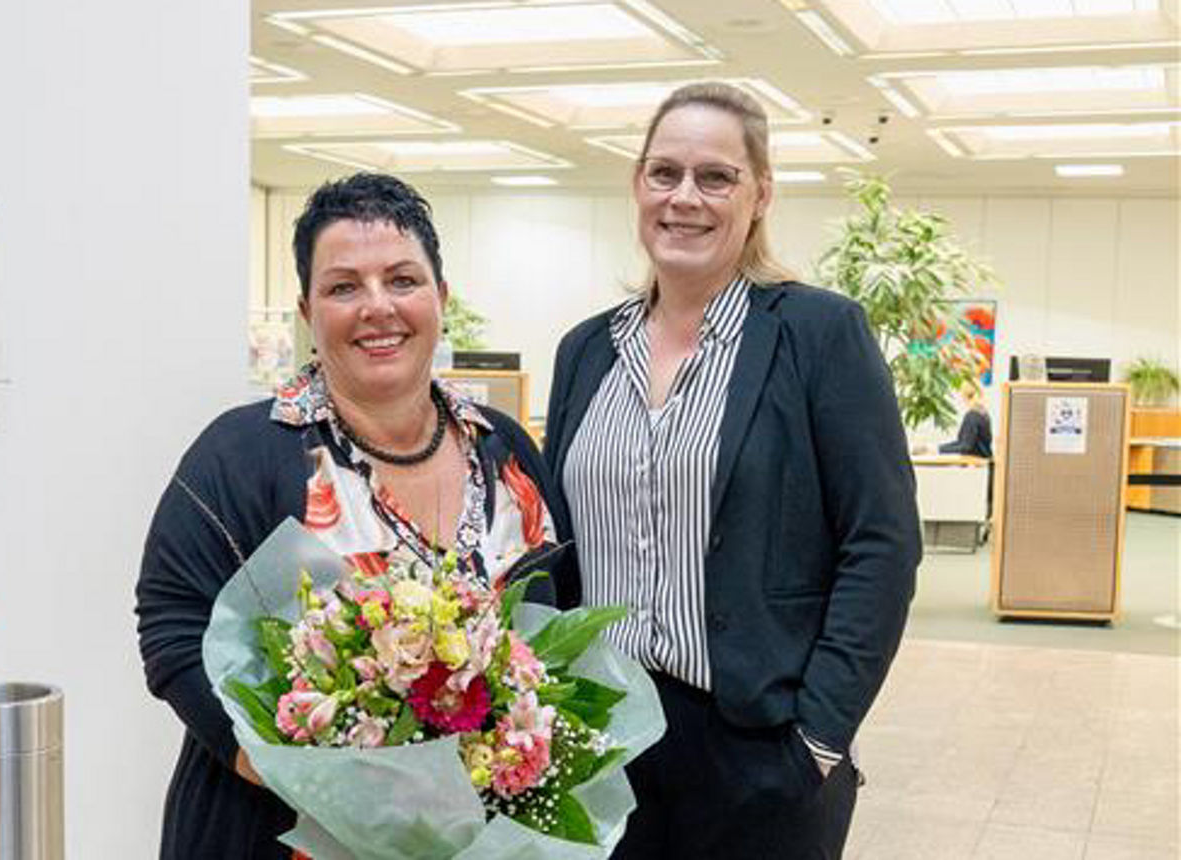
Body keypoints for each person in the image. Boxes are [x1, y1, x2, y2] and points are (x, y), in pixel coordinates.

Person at [136, 173, 570, 859]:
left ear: (441, 298)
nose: (378, 307)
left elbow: (555, 625)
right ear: (308, 311)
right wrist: (286, 775)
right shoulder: (242, 454)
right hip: (276, 832)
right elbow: (172, 627)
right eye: (344, 287)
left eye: (402, 279)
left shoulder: (505, 451)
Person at [543, 82, 921, 859]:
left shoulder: (818, 335)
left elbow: (881, 544)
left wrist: (817, 738)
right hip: (600, 740)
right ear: (637, 185)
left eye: (716, 177)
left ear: (760, 195)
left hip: (757, 741)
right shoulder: (586, 351)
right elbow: (560, 549)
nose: (686, 198)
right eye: (664, 173)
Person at [939, 383, 992, 459]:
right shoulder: (984, 414)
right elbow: (964, 443)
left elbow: (966, 446)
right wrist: (939, 448)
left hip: (975, 464)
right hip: (984, 462)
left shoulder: (972, 415)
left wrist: (939, 450)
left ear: (965, 396)